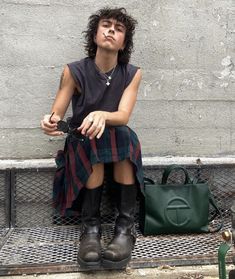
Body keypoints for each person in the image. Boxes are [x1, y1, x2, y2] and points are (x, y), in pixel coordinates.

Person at [40, 7, 144, 270]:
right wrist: (49, 122)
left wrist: (101, 114)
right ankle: (91, 230)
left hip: (117, 140)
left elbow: (123, 115)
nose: (111, 30)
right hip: (85, 143)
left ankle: (124, 229)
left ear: (124, 42)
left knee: (124, 135)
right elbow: (57, 115)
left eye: (118, 29)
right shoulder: (74, 71)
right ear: (95, 34)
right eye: (106, 25)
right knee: (92, 138)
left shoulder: (132, 73)